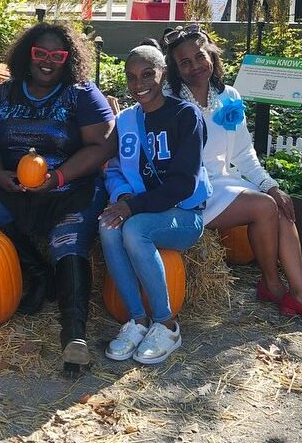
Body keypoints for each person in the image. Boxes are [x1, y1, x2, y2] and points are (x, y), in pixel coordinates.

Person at [161, 24, 302, 329]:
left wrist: (270, 186)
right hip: (189, 189)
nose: (195, 66)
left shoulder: (229, 96)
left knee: (280, 206)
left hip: (223, 182)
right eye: (185, 62)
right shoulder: (169, 100)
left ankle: (301, 294)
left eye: (200, 56)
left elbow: (244, 154)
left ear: (212, 55)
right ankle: (272, 285)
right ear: (176, 69)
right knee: (264, 207)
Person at [0, 22, 116, 375]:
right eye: (40, 53)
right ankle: (38, 272)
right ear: (28, 55)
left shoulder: (81, 94)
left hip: (70, 188)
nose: (47, 61)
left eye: (57, 55)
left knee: (68, 241)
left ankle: (74, 334)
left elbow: (102, 146)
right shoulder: (3, 94)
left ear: (69, 59)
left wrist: (59, 177)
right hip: (14, 187)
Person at [99, 43, 211, 364]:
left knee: (134, 229)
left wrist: (132, 207)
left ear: (163, 73)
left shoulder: (185, 116)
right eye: (132, 77)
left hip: (184, 215)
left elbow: (184, 183)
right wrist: (122, 196)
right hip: (140, 209)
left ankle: (166, 324)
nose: (139, 84)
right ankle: (137, 320)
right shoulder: (126, 121)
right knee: (107, 227)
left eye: (148, 74)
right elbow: (114, 169)